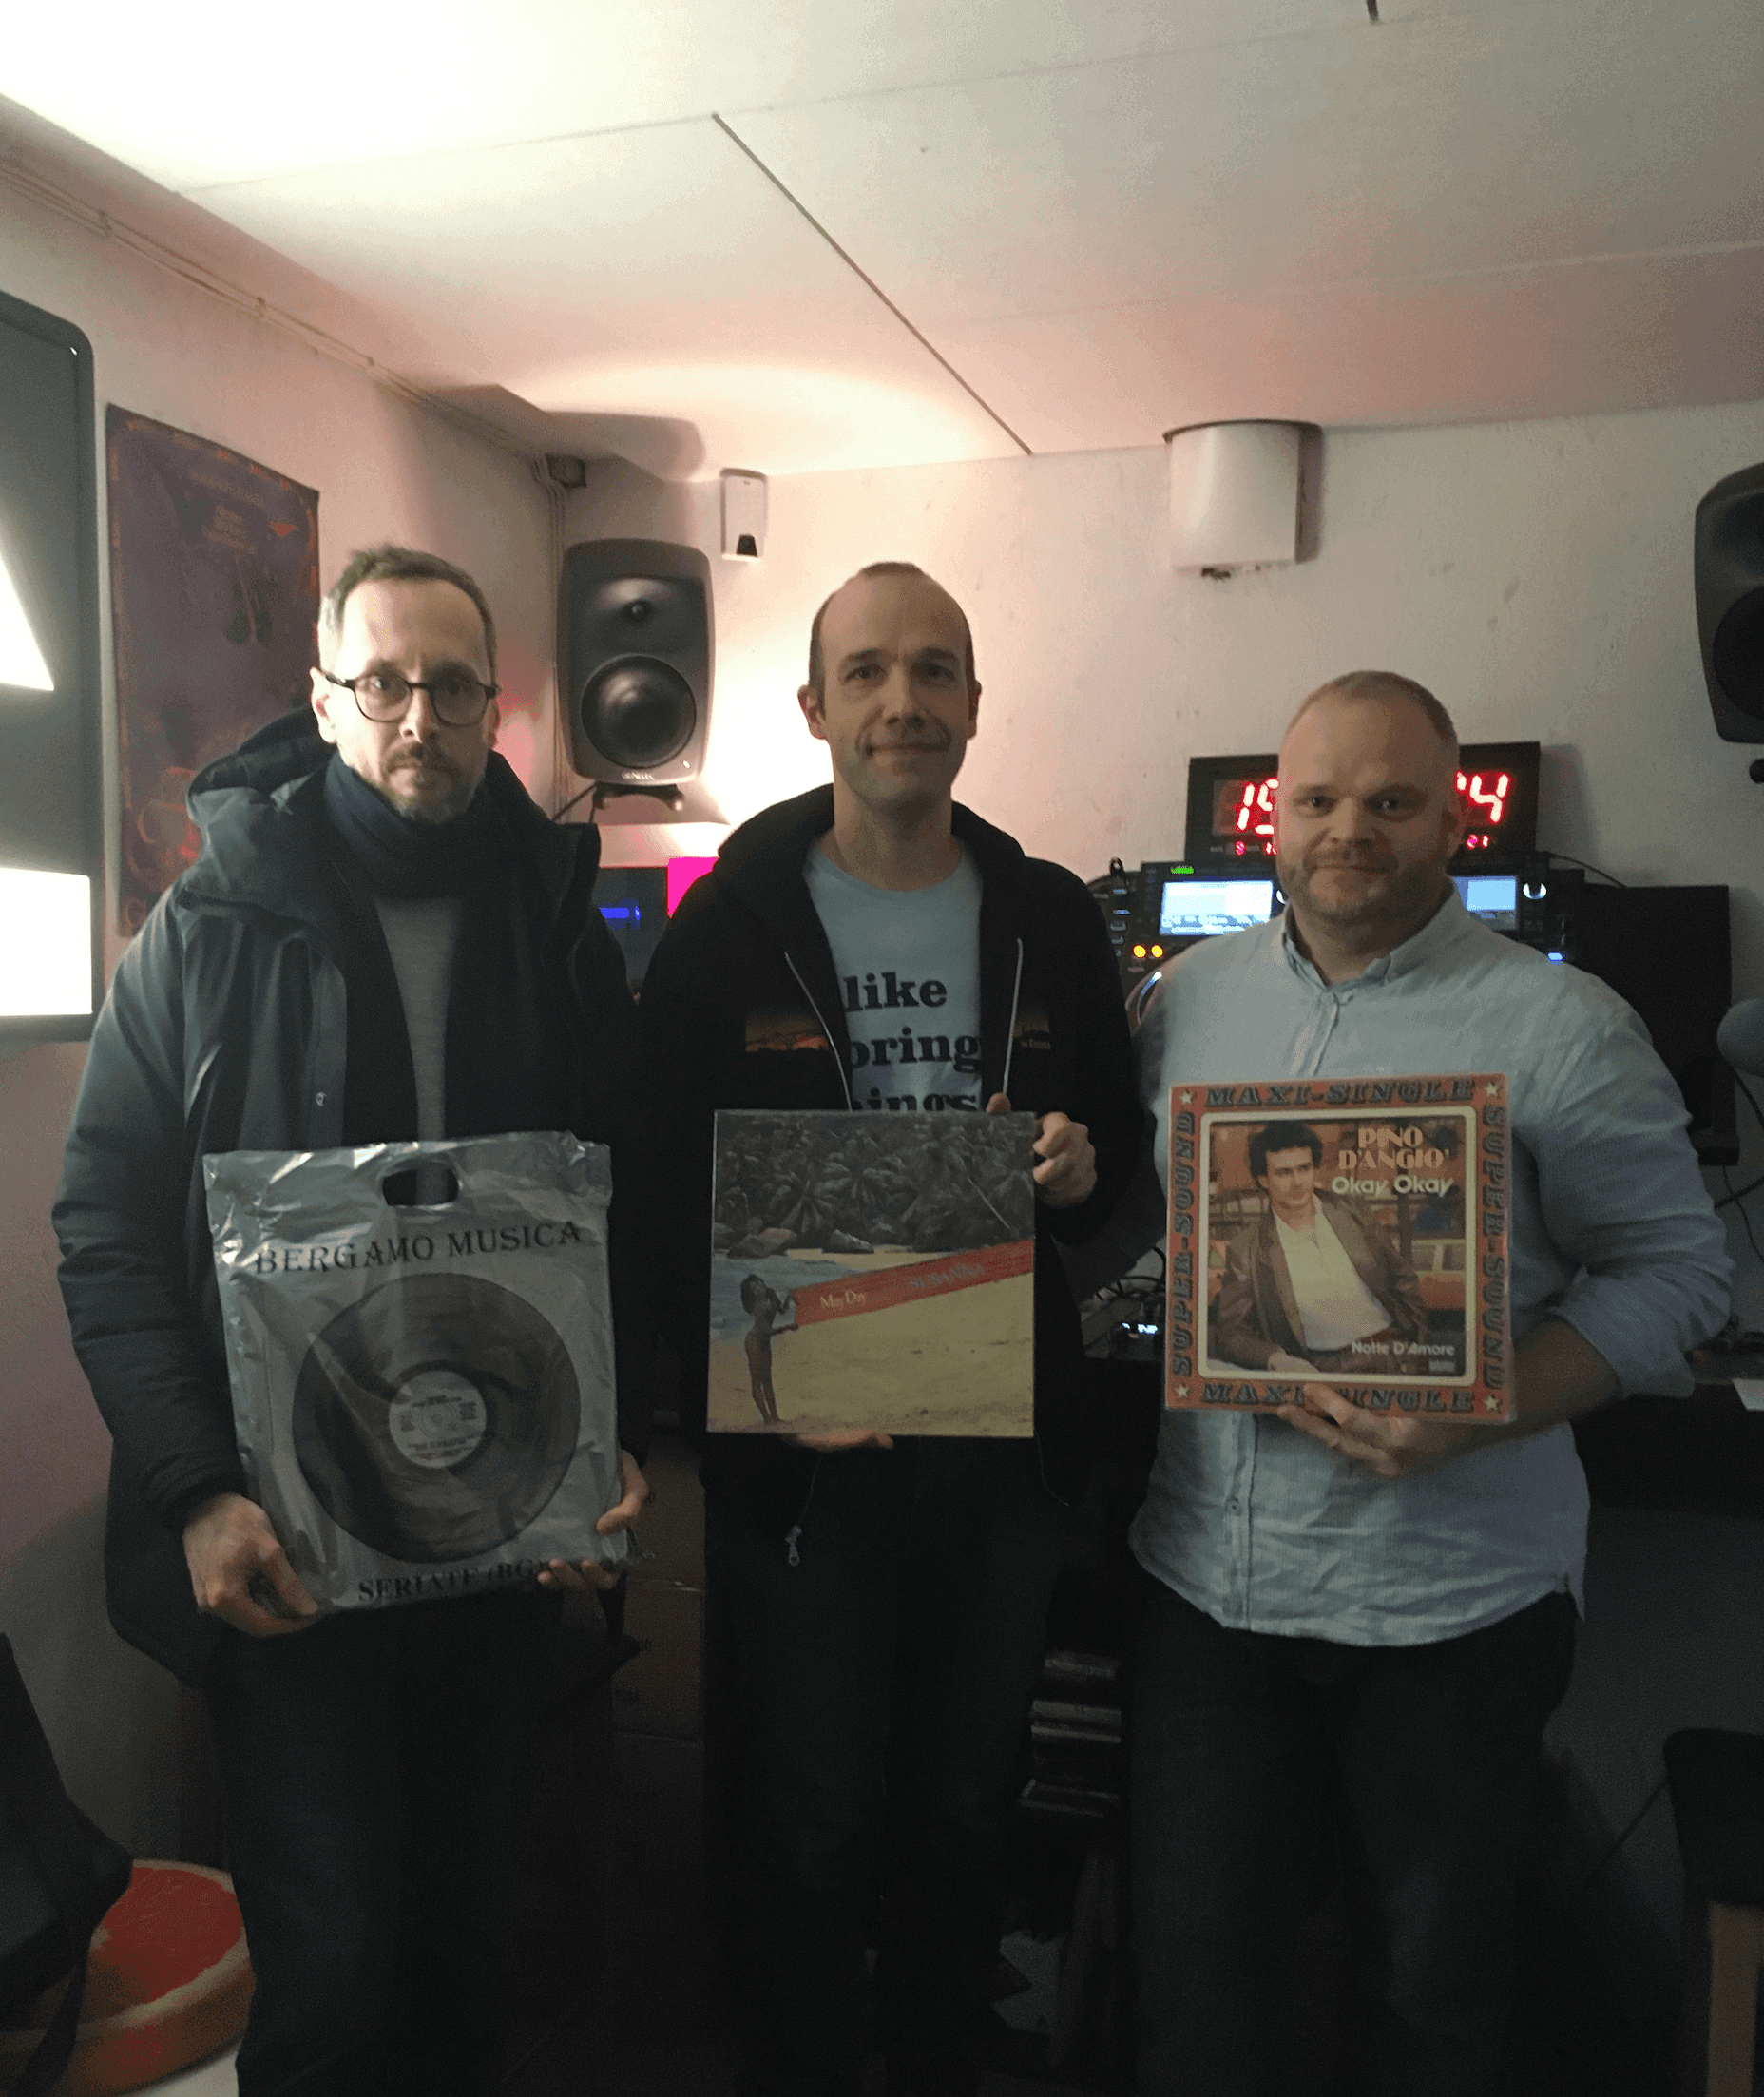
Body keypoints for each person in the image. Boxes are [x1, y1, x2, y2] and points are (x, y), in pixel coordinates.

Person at [53, 546, 650, 2097]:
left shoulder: (558, 927)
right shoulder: (204, 928)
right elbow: (104, 1229)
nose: (419, 716)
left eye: (452, 685)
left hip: (500, 1534)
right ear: (324, 700)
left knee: (471, 1948)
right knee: (328, 1968)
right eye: (384, 681)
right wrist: (195, 1488)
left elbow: (626, 1205)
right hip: (289, 1550)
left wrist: (614, 1441)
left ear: (496, 708)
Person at [1126, 669, 1729, 2094]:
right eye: (1318, 799)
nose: (1349, 829)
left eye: (1391, 800)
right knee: (1198, 2002)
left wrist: (1482, 1403)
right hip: (1208, 1590)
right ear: (1271, 822)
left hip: (1450, 1610)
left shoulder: (1562, 1025)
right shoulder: (1182, 1004)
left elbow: (1680, 1272)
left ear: (1454, 822)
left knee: (1432, 2012)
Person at [638, 561, 1142, 2097]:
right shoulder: (726, 927)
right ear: (815, 707)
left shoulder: (1051, 918)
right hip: (807, 1448)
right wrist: (735, 1399)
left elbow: (1119, 1166)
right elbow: (656, 1196)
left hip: (999, 1454)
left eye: (934, 669)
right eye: (866, 671)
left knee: (966, 1804)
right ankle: (801, 2064)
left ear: (975, 702)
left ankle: (935, 2053)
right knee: (810, 1815)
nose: (901, 700)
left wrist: (1079, 1171)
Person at [1209, 1119, 1428, 1376]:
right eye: (1284, 1173)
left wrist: (1420, 1342)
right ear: (1264, 1179)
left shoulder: (1351, 1209)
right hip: (1327, 1369)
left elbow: (1401, 1276)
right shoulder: (1247, 1248)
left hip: (1396, 1354)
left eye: (1304, 1168)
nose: (1297, 1181)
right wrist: (1275, 1358)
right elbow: (1231, 1332)